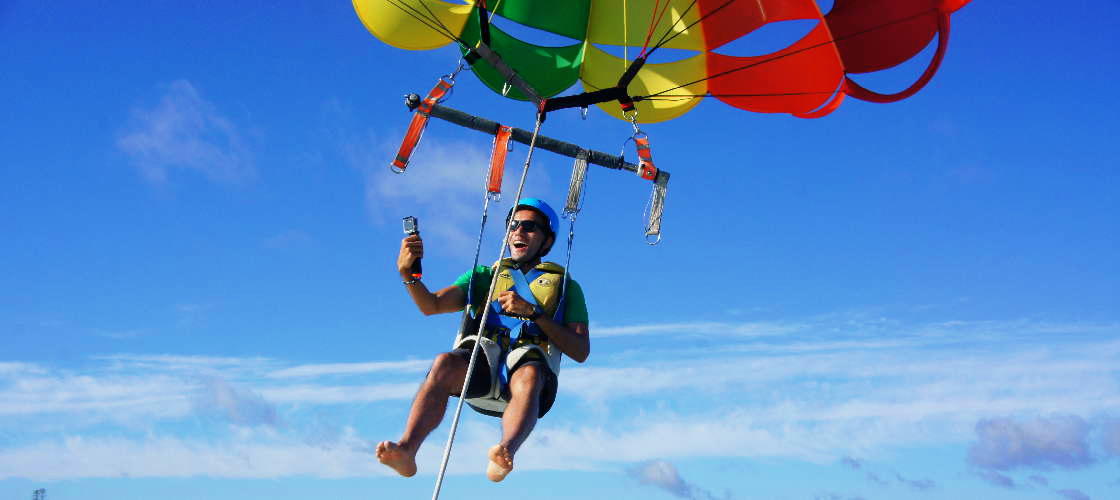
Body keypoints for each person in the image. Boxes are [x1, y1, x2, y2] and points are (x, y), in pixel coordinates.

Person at [376, 198, 590, 482]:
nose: (518, 232)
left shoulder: (566, 288)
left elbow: (580, 350)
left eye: (529, 227)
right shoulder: (484, 277)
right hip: (481, 368)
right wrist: (408, 274)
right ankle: (407, 450)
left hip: (530, 377)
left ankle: (505, 452)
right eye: (513, 226)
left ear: (547, 241)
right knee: (443, 363)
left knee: (528, 370)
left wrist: (535, 314)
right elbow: (431, 305)